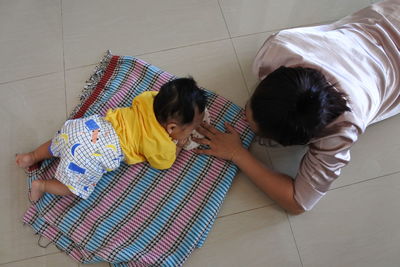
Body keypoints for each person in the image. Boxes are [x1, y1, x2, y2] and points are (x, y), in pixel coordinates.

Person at [194, 0, 400, 214]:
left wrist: (238, 154)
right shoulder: (279, 48)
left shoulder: (341, 129)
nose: (245, 118)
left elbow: (298, 202)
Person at [16, 77, 207, 201]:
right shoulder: (162, 144)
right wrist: (179, 146)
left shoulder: (149, 98)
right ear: (172, 127)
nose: (192, 131)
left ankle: (31, 157)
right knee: (70, 186)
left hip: (86, 128)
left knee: (56, 144)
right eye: (191, 128)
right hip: (93, 153)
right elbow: (165, 163)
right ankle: (42, 185)